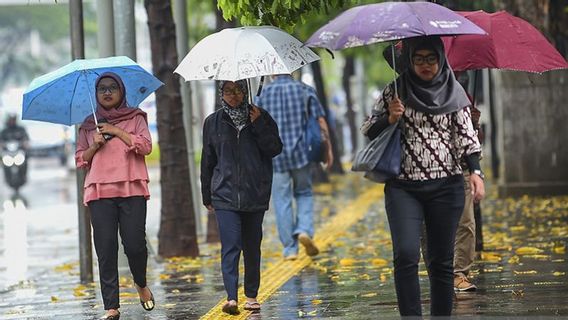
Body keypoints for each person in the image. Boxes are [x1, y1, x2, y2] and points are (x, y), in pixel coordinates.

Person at [362, 36, 485, 316]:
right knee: (405, 254)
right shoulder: (395, 90)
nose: (425, 65)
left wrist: (476, 173)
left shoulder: (454, 91)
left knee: (440, 261)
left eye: (431, 58)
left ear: (440, 59)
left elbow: (467, 138)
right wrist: (389, 118)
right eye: (419, 59)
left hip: (447, 185)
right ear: (410, 60)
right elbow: (368, 129)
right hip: (403, 187)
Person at [75, 72, 154, 320]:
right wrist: (95, 144)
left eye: (112, 88)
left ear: (121, 91)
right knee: (105, 249)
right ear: (97, 95)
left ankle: (140, 283)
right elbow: (80, 159)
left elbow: (146, 147)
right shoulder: (89, 124)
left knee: (135, 246)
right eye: (102, 89)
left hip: (132, 189)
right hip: (99, 192)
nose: (107, 92)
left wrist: (116, 131)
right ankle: (111, 306)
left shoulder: (136, 118)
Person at [201, 80, 282, 315]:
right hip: (224, 194)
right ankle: (231, 298)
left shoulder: (261, 117)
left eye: (238, 90)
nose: (234, 95)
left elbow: (274, 149)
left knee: (252, 246)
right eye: (228, 91)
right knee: (230, 245)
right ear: (221, 94)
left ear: (245, 91)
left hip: (255, 192)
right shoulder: (213, 122)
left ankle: (252, 295)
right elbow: (207, 160)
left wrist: (258, 125)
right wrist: (207, 193)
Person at [255, 74, 333, 260]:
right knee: (304, 192)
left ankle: (290, 249)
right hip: (302, 153)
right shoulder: (305, 90)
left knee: (282, 200)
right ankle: (304, 229)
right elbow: (320, 121)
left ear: (273, 72)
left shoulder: (262, 95)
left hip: (275, 156)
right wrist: (328, 149)